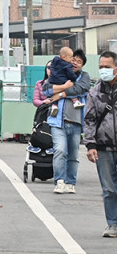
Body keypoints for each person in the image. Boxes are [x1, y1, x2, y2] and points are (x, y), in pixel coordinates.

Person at [49, 49, 92, 194]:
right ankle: (59, 181)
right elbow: (46, 89)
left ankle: (70, 182)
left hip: (76, 122)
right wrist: (64, 87)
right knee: (60, 150)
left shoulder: (84, 77)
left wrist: (60, 94)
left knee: (73, 155)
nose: (75, 63)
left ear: (83, 65)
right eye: (73, 59)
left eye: (79, 61)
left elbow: (82, 89)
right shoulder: (60, 70)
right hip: (58, 122)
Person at [85, 50, 117, 238]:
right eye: (101, 67)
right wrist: (90, 145)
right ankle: (112, 224)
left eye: (107, 67)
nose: (104, 70)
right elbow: (89, 120)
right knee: (109, 188)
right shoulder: (95, 92)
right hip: (103, 147)